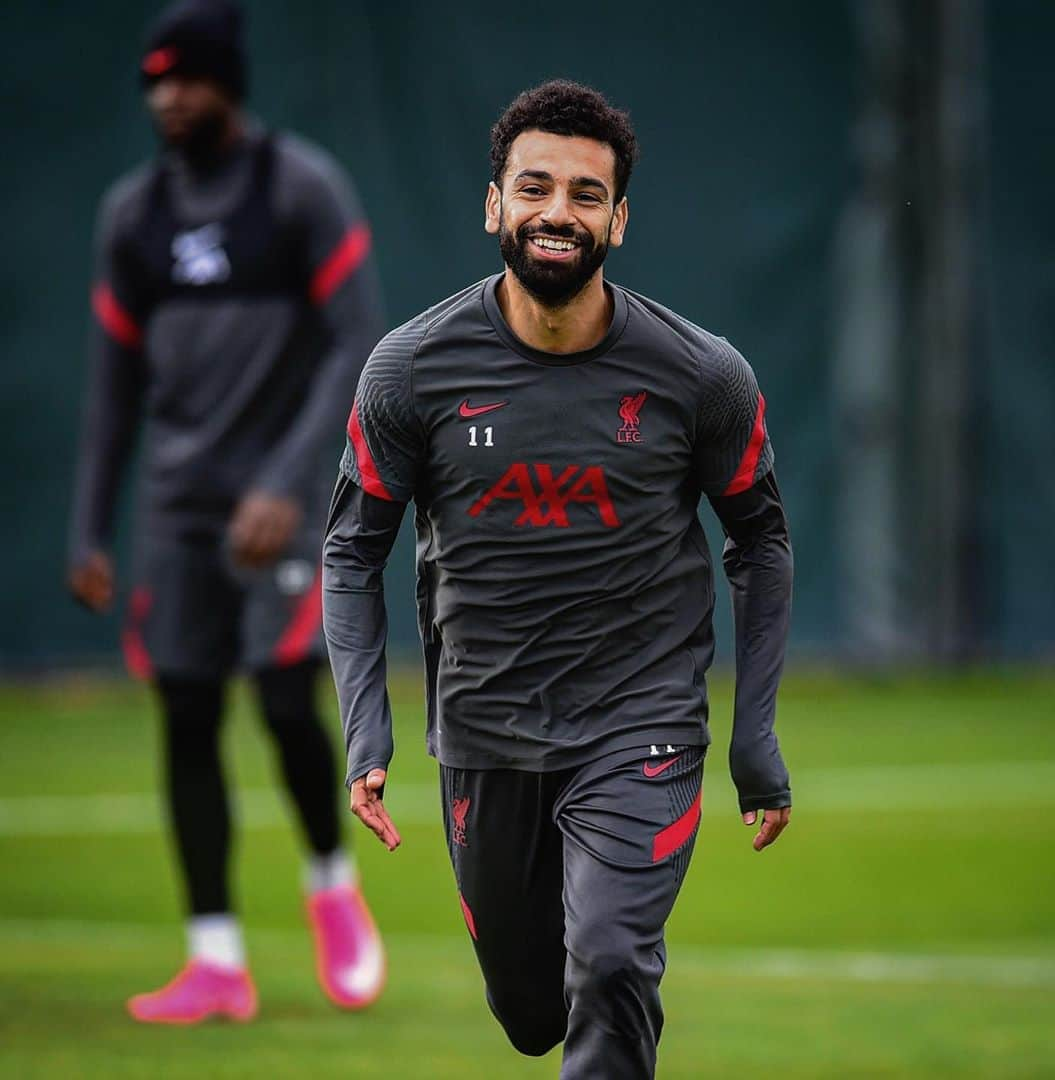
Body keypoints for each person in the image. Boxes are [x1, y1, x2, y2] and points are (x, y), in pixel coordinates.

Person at [324, 80, 793, 1078]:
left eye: (587, 195)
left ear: (619, 221)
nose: (557, 213)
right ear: (493, 204)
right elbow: (350, 550)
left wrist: (754, 736)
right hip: (485, 732)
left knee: (613, 963)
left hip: (642, 724)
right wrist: (368, 730)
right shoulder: (407, 372)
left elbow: (761, 540)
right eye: (535, 187)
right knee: (534, 1014)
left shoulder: (703, 377)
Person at [67, 0, 386, 1024]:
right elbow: (113, 384)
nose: (170, 97)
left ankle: (333, 888)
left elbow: (357, 345)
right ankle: (216, 960)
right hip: (178, 505)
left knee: (286, 699)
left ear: (228, 84)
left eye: (188, 78)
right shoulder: (132, 214)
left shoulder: (299, 189)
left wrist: (290, 485)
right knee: (187, 714)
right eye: (156, 81)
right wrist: (88, 526)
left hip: (279, 503)